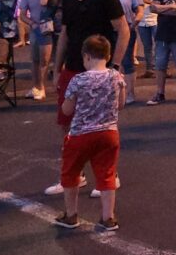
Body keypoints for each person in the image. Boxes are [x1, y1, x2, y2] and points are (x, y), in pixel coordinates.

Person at [45, 0, 128, 197]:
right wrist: (57, 68)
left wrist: (115, 66)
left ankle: (109, 177)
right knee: (67, 123)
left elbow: (123, 31)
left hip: (99, 72)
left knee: (101, 128)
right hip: (72, 69)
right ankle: (75, 175)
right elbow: (65, 35)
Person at [53, 35, 126, 232]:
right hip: (109, 133)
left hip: (81, 134)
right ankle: (108, 217)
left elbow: (67, 110)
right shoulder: (116, 77)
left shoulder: (78, 80)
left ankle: (71, 215)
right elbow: (120, 104)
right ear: (108, 56)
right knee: (107, 173)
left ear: (86, 56)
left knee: (71, 173)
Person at [106, 0, 143, 104]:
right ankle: (112, 92)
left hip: (126, 29)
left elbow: (139, 8)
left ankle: (130, 93)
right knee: (109, 62)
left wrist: (137, 18)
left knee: (127, 61)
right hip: (108, 30)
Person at [19, 0, 58, 101]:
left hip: (49, 30)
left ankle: (42, 88)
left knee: (45, 61)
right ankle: (35, 87)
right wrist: (32, 23)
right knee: (35, 60)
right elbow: (22, 15)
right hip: (35, 30)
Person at [135, 0, 164, 77]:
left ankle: (161, 69)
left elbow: (162, 3)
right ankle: (149, 70)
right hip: (143, 21)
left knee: (160, 46)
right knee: (147, 47)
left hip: (156, 20)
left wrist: (148, 1)